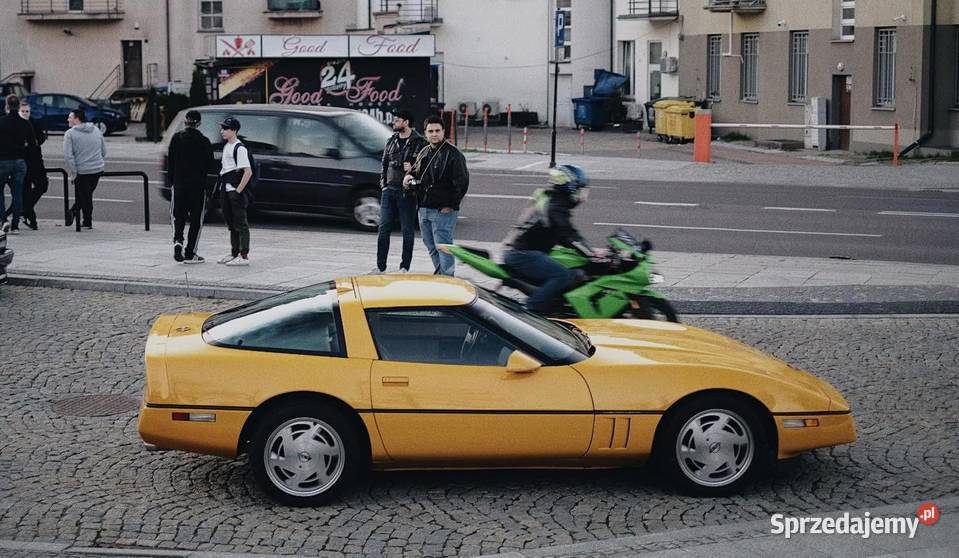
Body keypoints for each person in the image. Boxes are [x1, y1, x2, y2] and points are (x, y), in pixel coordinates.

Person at [501, 164, 596, 313]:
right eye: (581, 189)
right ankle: (530, 309)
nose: (583, 195)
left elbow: (566, 234)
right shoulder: (556, 207)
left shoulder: (554, 200)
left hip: (522, 250)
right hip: (523, 254)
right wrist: (591, 254)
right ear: (571, 186)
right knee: (562, 275)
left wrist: (587, 249)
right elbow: (567, 234)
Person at [403, 115, 469, 276]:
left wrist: (451, 205)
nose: (434, 134)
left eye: (437, 131)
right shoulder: (424, 151)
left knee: (444, 246)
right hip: (423, 207)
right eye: (430, 131)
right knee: (430, 245)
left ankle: (447, 278)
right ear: (425, 133)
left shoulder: (454, 154)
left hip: (443, 209)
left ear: (443, 131)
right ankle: (442, 276)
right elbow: (415, 174)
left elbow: (462, 182)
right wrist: (408, 179)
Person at [373, 109, 427, 274]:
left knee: (407, 231)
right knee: (383, 229)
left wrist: (413, 169)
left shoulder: (420, 143)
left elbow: (425, 170)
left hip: (407, 192)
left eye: (397, 120)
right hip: (389, 191)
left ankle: (405, 267)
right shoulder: (391, 141)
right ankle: (380, 267)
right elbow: (383, 165)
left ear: (406, 122)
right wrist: (384, 185)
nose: (394, 123)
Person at [168, 110, 214, 263]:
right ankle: (190, 252)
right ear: (199, 123)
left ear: (185, 121)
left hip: (179, 185)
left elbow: (170, 162)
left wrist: (172, 181)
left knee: (177, 216)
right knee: (196, 220)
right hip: (198, 186)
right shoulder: (204, 141)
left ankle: (178, 241)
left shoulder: (176, 139)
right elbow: (210, 165)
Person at [216, 116, 253, 266]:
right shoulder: (226, 147)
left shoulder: (240, 148)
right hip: (226, 189)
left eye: (225, 129)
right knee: (231, 222)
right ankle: (234, 252)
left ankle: (243, 255)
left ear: (234, 130)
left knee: (241, 223)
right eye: (222, 128)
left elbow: (248, 172)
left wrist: (238, 191)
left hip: (234, 191)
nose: (222, 131)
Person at [0, 95, 37, 234]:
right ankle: (15, 225)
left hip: (3, 160)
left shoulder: (1, 122)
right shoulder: (26, 124)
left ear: (7, 106)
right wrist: (23, 148)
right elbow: (33, 146)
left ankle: (3, 221)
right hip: (20, 161)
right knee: (17, 193)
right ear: (18, 107)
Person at [64, 108, 106, 229]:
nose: (68, 119)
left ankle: (78, 214)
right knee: (87, 195)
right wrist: (99, 161)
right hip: (97, 169)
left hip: (82, 170)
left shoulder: (70, 134)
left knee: (84, 196)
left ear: (76, 119)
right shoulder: (96, 130)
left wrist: (73, 172)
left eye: (70, 117)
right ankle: (83, 218)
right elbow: (104, 151)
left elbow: (68, 156)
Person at [13, 102, 48, 230]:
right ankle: (31, 219)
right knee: (25, 189)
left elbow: (42, 138)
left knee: (42, 185)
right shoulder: (15, 124)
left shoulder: (33, 122)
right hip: (22, 161)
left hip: (36, 160)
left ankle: (25, 209)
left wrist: (34, 142)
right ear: (18, 111)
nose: (25, 114)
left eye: (27, 111)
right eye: (23, 111)